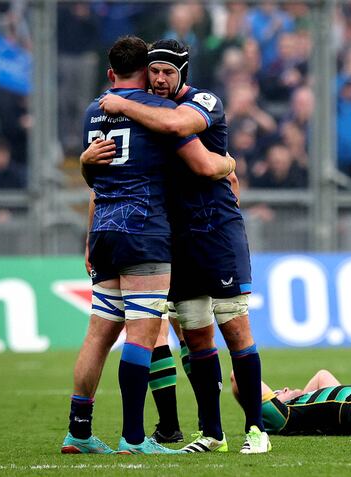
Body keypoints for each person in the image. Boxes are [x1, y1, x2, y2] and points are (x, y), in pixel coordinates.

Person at [88, 39, 269, 454]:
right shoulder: (150, 113)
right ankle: (213, 433)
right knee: (196, 335)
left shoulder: (198, 104)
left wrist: (228, 164)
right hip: (176, 237)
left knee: (235, 327)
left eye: (169, 72)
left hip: (216, 231)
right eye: (154, 71)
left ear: (183, 73)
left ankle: (257, 431)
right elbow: (109, 177)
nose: (160, 79)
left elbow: (192, 149)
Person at [62, 36, 234, 456]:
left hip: (102, 229)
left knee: (97, 336)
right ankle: (134, 439)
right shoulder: (161, 111)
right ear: (144, 73)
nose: (158, 80)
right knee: (143, 333)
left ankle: (79, 432)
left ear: (110, 73)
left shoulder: (92, 111)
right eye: (153, 73)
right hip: (144, 232)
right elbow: (200, 162)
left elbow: (94, 176)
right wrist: (228, 165)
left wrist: (85, 164)